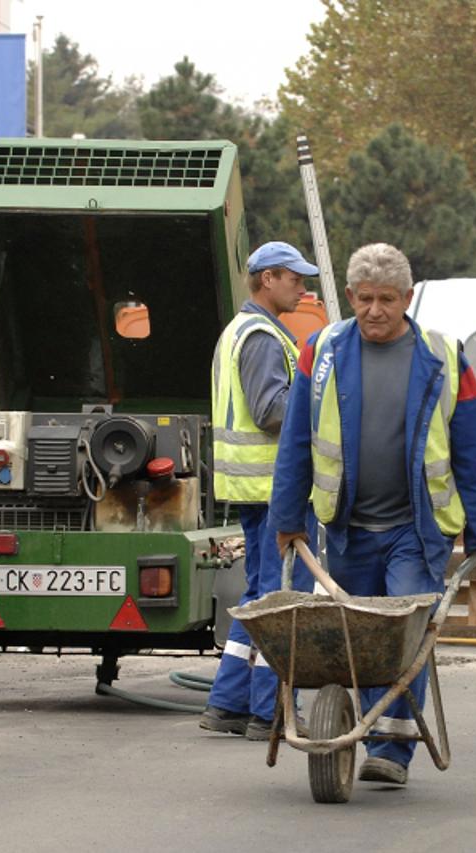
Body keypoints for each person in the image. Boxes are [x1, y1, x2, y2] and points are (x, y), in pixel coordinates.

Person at [269, 242, 476, 786]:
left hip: (416, 530)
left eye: (388, 300)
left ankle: (391, 750)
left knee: (401, 632)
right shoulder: (321, 351)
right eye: (366, 299)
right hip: (347, 527)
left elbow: (474, 452)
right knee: (360, 640)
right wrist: (288, 517)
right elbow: (297, 443)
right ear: (350, 296)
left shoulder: (443, 357)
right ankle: (369, 724)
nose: (376, 310)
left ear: (408, 299)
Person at [201, 240, 320, 741]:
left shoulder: (243, 331)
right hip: (278, 489)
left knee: (258, 596)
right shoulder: (263, 338)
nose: (302, 287)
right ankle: (270, 710)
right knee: (283, 600)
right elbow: (272, 410)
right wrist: (318, 396)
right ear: (267, 279)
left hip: (254, 487)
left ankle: (228, 702)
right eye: (294, 278)